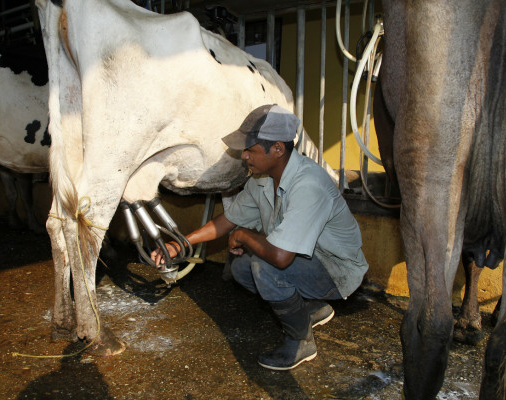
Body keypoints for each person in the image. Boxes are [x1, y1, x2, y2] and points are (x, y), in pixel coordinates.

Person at [151, 104, 369, 370]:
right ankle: (311, 309)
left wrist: (243, 235)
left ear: (277, 149)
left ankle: (301, 341)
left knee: (264, 267)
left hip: (337, 272)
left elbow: (279, 256)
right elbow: (226, 221)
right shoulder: (262, 179)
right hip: (307, 261)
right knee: (242, 268)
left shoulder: (308, 185)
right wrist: (181, 244)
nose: (244, 156)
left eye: (250, 149)